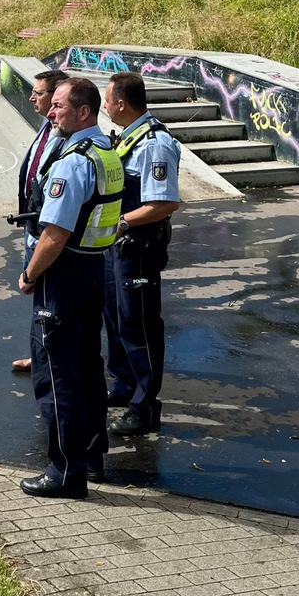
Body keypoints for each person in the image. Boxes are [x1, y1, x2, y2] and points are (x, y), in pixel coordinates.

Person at [17, 78, 123, 500]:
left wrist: (29, 275)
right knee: (87, 369)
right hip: (94, 269)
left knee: (57, 374)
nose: (50, 112)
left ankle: (65, 471)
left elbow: (54, 234)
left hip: (62, 274)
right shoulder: (106, 152)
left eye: (58, 106)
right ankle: (92, 457)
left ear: (83, 112)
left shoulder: (74, 161)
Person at [103, 71, 182, 436]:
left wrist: (119, 223)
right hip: (118, 247)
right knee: (117, 319)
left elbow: (164, 203)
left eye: (106, 100)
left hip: (138, 247)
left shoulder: (154, 144)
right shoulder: (129, 137)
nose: (103, 106)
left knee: (140, 326)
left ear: (121, 103)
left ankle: (145, 406)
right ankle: (123, 386)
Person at [11, 69, 69, 372]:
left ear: (57, 95)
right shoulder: (47, 127)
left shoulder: (67, 138)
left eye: (39, 93)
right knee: (42, 303)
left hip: (50, 229)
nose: (32, 97)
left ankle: (51, 362)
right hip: (35, 225)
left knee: (51, 302)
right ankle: (42, 357)